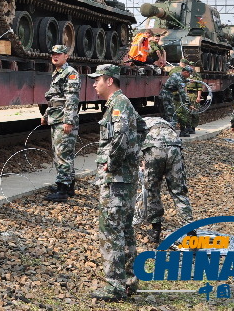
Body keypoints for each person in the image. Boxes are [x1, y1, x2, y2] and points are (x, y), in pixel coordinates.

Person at [89, 64, 143, 302]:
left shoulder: (119, 105)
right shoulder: (120, 103)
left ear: (109, 81)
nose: (93, 84)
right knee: (125, 229)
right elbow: (140, 130)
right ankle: (129, 281)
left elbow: (120, 138)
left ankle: (115, 286)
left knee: (111, 231)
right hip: (124, 178)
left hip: (117, 180)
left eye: (97, 80)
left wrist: (110, 164)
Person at [139, 117, 194, 245]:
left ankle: (155, 231)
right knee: (178, 191)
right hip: (174, 147)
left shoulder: (140, 123)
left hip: (154, 148)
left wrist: (142, 161)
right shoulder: (166, 123)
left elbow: (135, 143)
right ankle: (191, 232)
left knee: (152, 189)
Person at [40, 44, 80, 203]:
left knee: (63, 154)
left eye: (59, 54)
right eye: (53, 54)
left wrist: (69, 121)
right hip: (56, 117)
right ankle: (68, 186)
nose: (55, 56)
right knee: (61, 152)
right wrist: (45, 115)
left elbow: (71, 99)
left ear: (66, 56)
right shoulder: (58, 72)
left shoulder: (70, 73)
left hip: (64, 119)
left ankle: (62, 190)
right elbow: (55, 98)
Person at [159, 65, 192, 136]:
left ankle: (169, 131)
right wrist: (189, 104)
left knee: (170, 112)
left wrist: (187, 80)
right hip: (166, 95)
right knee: (170, 113)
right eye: (189, 74)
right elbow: (182, 93)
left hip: (167, 94)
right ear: (185, 72)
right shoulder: (179, 80)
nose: (189, 76)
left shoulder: (177, 74)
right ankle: (169, 133)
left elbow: (180, 79)